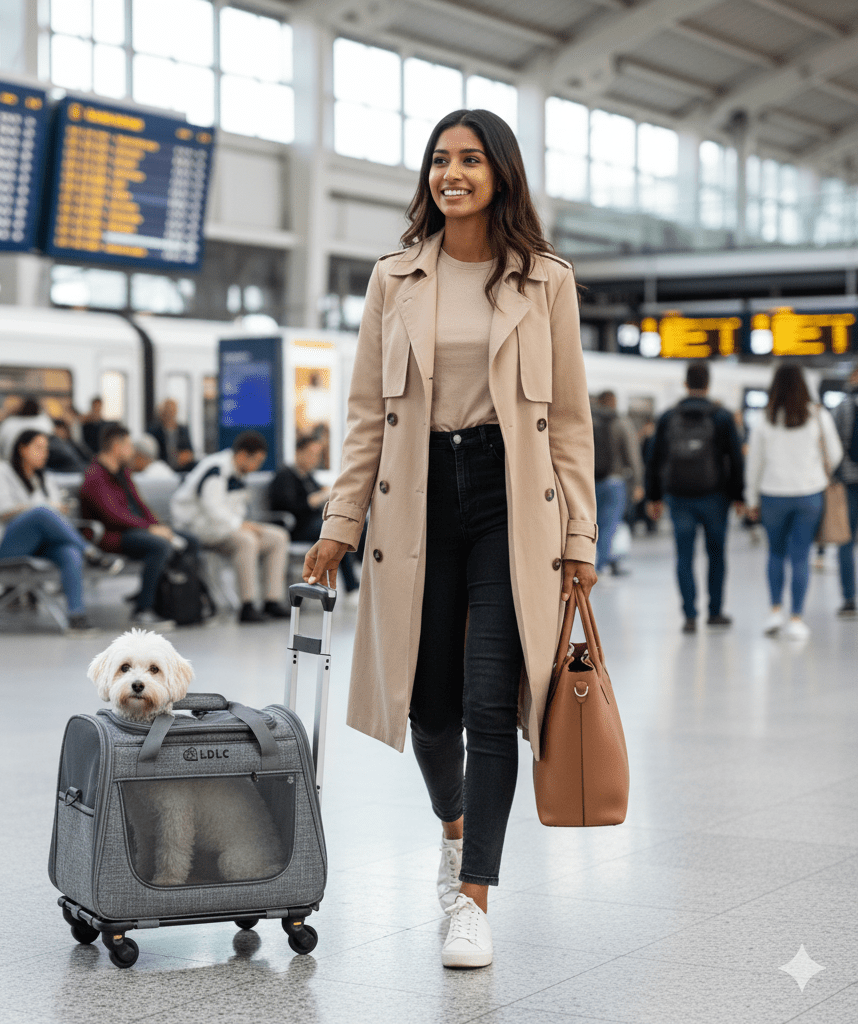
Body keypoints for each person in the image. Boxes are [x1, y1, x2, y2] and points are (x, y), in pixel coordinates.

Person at [302, 109, 598, 969]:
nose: (452, 172)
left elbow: (571, 422)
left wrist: (579, 534)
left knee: (488, 704)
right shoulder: (395, 278)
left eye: (470, 159)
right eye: (440, 159)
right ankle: (454, 824)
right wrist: (339, 523)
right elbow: (365, 416)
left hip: (512, 501)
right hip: (417, 500)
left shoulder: (545, 281)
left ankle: (473, 899)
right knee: (426, 708)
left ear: (501, 173)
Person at [0, 430, 121, 632]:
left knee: (69, 551)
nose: (44, 453)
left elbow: (54, 511)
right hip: (4, 545)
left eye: (46, 448)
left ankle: (76, 617)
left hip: (38, 544)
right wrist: (44, 507)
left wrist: (51, 509)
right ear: (22, 448)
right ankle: (91, 553)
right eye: (38, 448)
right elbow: (4, 511)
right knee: (42, 512)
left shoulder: (44, 478)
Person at [745, 365, 843, 641]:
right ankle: (797, 618)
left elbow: (754, 464)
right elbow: (834, 454)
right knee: (800, 556)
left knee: (775, 554)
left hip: (773, 494)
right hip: (809, 495)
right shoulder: (817, 415)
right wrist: (815, 473)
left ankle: (775, 610)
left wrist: (751, 498)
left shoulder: (764, 419)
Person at [646, 362, 744, 634]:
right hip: (715, 497)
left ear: (686, 383)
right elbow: (735, 459)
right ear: (708, 383)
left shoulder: (668, 417)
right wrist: (739, 496)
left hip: (679, 497)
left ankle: (689, 615)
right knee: (716, 556)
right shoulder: (722, 416)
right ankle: (715, 613)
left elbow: (654, 460)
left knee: (684, 557)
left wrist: (654, 496)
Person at [172, 430, 292, 623]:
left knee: (278, 537)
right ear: (243, 455)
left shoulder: (239, 473)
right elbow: (211, 508)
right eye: (257, 461)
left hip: (226, 529)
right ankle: (247, 605)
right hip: (198, 529)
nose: (257, 467)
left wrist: (244, 525)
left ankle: (272, 601)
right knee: (247, 540)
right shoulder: (216, 468)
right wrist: (241, 526)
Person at [80, 424, 187, 627]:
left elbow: (140, 505)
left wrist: (159, 526)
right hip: (110, 536)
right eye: (128, 445)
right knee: (160, 546)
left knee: (188, 540)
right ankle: (143, 608)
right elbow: (113, 516)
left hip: (136, 531)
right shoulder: (95, 477)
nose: (132, 450)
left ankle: (184, 604)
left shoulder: (123, 473)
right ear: (116, 446)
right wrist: (150, 528)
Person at [269, 435, 359, 594]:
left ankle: (366, 577)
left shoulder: (308, 477)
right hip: (297, 528)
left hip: (315, 525)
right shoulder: (285, 476)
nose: (315, 459)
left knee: (358, 525)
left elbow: (321, 494)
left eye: (318, 455)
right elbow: (287, 507)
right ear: (298, 452)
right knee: (336, 532)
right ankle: (352, 586)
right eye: (311, 454)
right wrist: (313, 500)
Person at [592, 391, 643, 576]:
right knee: (609, 525)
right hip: (614, 482)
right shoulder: (621, 422)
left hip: (590, 482)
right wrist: (638, 482)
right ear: (614, 402)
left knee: (592, 525)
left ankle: (591, 561)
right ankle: (602, 565)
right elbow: (632, 455)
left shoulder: (588, 421)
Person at [831, 366, 858, 617]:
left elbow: (832, 446)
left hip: (848, 483)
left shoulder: (842, 407)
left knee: (845, 542)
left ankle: (849, 598)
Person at [148, 399, 196, 470]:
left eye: (172, 411)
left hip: (182, 468)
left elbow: (190, 451)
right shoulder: (154, 431)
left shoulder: (183, 430)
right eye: (167, 410)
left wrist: (186, 456)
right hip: (161, 468)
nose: (170, 414)